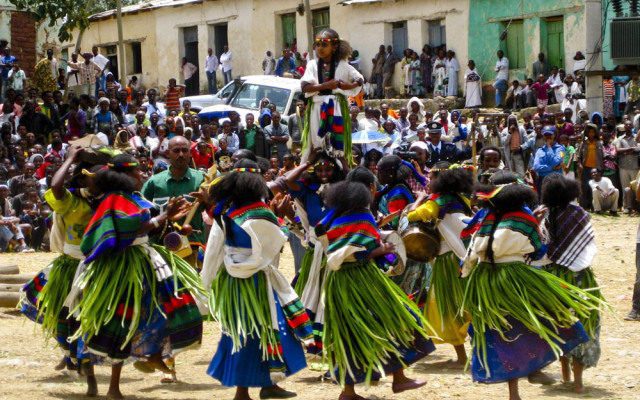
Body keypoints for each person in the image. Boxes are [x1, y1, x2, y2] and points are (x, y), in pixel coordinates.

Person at [67, 153, 204, 399]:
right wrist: (162, 217)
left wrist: (168, 220)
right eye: (136, 172)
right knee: (122, 321)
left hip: (143, 261)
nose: (141, 175)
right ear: (123, 176)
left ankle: (151, 354)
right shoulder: (113, 200)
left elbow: (148, 227)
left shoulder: (132, 197)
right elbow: (126, 230)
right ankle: (111, 385)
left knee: (161, 308)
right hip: (120, 267)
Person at [461, 171, 600, 400]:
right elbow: (539, 249)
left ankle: (514, 391)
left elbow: (470, 253)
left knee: (500, 330)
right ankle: (537, 367)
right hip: (515, 278)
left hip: (484, 279)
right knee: (542, 319)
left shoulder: (486, 218)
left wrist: (465, 273)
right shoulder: (523, 218)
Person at [201, 159, 312, 400]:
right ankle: (247, 391)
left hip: (232, 281)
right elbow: (274, 245)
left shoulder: (226, 212)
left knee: (244, 331)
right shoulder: (260, 213)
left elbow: (213, 250)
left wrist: (206, 283)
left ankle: (266, 384)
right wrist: (281, 218)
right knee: (266, 330)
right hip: (257, 283)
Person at [315, 179, 434, 399]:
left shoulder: (332, 220)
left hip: (338, 282)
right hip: (363, 279)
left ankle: (350, 391)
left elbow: (336, 251)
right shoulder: (363, 218)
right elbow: (363, 252)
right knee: (393, 320)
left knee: (349, 333)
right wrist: (384, 250)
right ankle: (398, 379)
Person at [19, 145, 99, 393]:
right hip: (68, 266)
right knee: (61, 315)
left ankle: (90, 375)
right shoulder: (71, 202)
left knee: (86, 320)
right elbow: (55, 187)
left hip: (96, 268)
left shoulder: (106, 202)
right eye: (90, 178)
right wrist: (71, 158)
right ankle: (71, 356)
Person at [539, 174, 606, 393]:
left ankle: (565, 375)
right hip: (580, 277)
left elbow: (543, 246)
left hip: (554, 277)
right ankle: (577, 383)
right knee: (584, 322)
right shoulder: (580, 214)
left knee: (560, 322)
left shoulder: (546, 216)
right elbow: (588, 244)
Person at [407, 165, 474, 365]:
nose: (428, 181)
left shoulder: (436, 202)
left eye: (431, 178)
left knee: (449, 307)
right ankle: (476, 352)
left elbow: (412, 216)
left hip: (447, 260)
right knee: (467, 304)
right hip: (466, 256)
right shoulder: (462, 199)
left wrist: (419, 200)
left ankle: (462, 356)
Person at [300, 28, 363, 163]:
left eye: (324, 44)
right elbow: (304, 87)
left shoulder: (343, 65)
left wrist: (348, 86)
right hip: (317, 107)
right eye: (318, 44)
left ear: (334, 46)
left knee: (337, 146)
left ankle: (341, 171)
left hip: (337, 108)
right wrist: (326, 85)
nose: (320, 48)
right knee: (317, 143)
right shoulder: (312, 65)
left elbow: (360, 80)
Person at [376, 155, 429, 296]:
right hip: (399, 244)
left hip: (401, 246)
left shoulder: (397, 194)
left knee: (404, 289)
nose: (377, 174)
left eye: (380, 171)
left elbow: (397, 222)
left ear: (390, 174)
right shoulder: (392, 188)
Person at [614, 121, 640, 213]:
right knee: (625, 187)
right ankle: (626, 207)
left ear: (632, 126)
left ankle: (635, 207)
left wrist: (627, 151)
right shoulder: (620, 139)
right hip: (623, 167)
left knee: (635, 188)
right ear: (624, 126)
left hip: (635, 167)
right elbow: (617, 150)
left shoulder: (636, 137)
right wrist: (630, 149)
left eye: (630, 124)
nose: (628, 126)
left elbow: (638, 149)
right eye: (627, 124)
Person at [533, 126, 564, 191]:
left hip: (556, 180)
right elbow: (536, 167)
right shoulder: (539, 150)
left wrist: (549, 147)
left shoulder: (561, 149)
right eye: (545, 135)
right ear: (543, 136)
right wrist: (551, 168)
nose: (548, 137)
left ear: (555, 135)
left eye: (550, 135)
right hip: (543, 180)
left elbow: (555, 162)